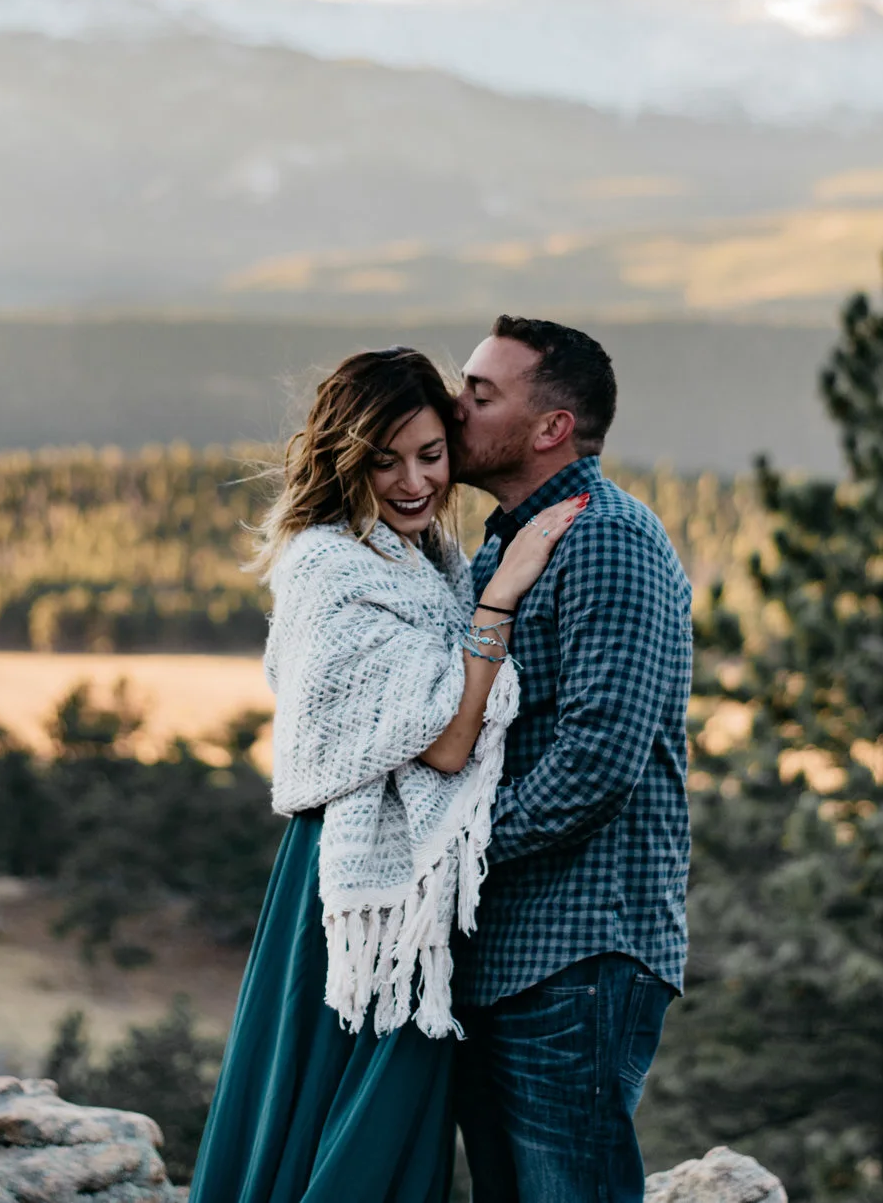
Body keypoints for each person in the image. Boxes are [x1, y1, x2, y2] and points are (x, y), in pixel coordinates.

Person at [190, 346, 587, 1203]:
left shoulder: (427, 562)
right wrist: (499, 601)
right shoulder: (328, 567)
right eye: (384, 459)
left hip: (404, 891)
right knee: (344, 1120)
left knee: (387, 1119)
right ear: (346, 458)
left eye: (431, 455)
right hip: (352, 891)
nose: (412, 481)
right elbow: (445, 743)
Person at [449, 317, 694, 1203]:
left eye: (480, 394)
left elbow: (596, 760)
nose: (454, 407)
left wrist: (453, 851)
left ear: (550, 426)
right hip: (504, 950)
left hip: (579, 952)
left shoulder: (608, 539)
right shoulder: (505, 546)